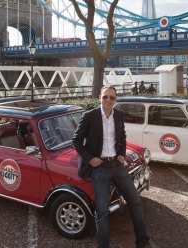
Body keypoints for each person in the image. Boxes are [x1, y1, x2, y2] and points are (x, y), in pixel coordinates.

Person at [72, 85, 150, 248]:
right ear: (100, 97)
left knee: (135, 201)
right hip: (99, 167)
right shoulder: (89, 116)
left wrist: (121, 153)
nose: (108, 100)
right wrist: (90, 159)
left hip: (116, 164)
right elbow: (76, 141)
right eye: (105, 97)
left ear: (115, 100)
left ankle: (142, 243)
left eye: (112, 98)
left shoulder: (119, 115)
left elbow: (122, 136)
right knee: (102, 211)